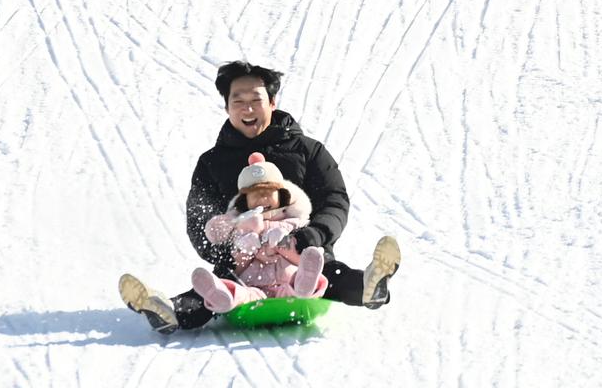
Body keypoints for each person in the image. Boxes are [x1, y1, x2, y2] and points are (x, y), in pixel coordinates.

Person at [119, 60, 400, 336]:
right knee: (217, 288)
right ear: (227, 106)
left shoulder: (307, 151)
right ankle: (170, 311)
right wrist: (230, 248)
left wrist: (313, 236)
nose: (248, 108)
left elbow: (334, 200)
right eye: (238, 100)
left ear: (273, 102)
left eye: (256, 98)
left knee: (330, 274)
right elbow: (200, 217)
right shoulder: (212, 162)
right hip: (243, 262)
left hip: (300, 253)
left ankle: (368, 287)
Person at [190, 152, 328, 312]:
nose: (263, 199)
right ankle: (223, 296)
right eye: (255, 195)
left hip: (287, 283)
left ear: (282, 195)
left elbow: (303, 253)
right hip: (253, 287)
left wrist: (284, 243)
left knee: (297, 282)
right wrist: (245, 250)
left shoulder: (294, 223)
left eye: (269, 193)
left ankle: (305, 285)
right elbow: (236, 267)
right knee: (244, 295)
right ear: (245, 202)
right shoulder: (240, 229)